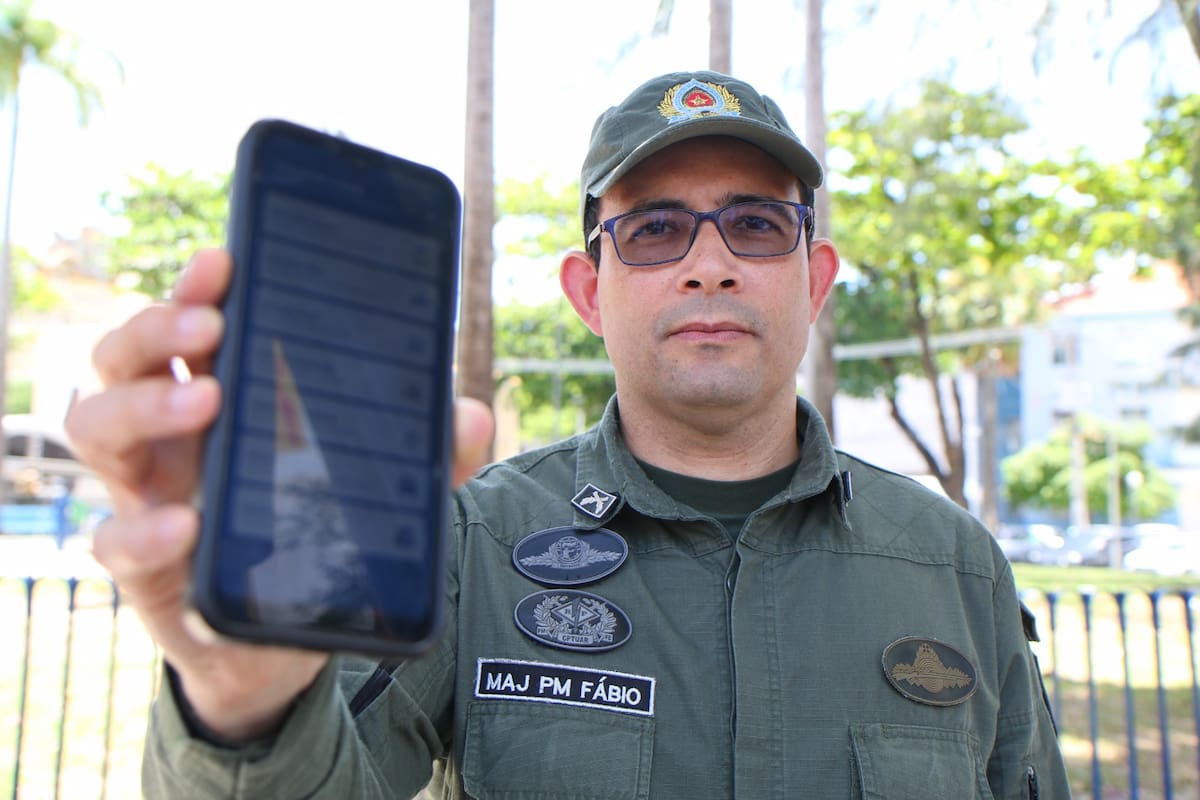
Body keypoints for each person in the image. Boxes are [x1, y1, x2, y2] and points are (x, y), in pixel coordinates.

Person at [66, 70, 1071, 798]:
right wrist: (243, 704)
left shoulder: (953, 564)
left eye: (757, 225)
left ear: (814, 277)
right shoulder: (471, 545)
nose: (710, 264)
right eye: (656, 228)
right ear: (590, 290)